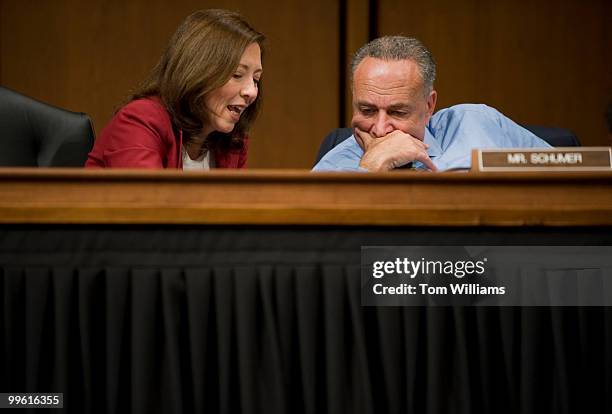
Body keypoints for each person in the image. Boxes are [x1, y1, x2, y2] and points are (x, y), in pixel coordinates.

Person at [313, 36, 550, 172]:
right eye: (367, 110)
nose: (380, 128)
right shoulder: (334, 167)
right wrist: (371, 168)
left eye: (397, 111)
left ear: (429, 106)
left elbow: (573, 179)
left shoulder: (477, 123)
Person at [86, 9, 264, 169]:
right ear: (197, 70)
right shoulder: (141, 120)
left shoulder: (233, 142)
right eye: (237, 75)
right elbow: (146, 202)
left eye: (256, 79)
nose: (252, 92)